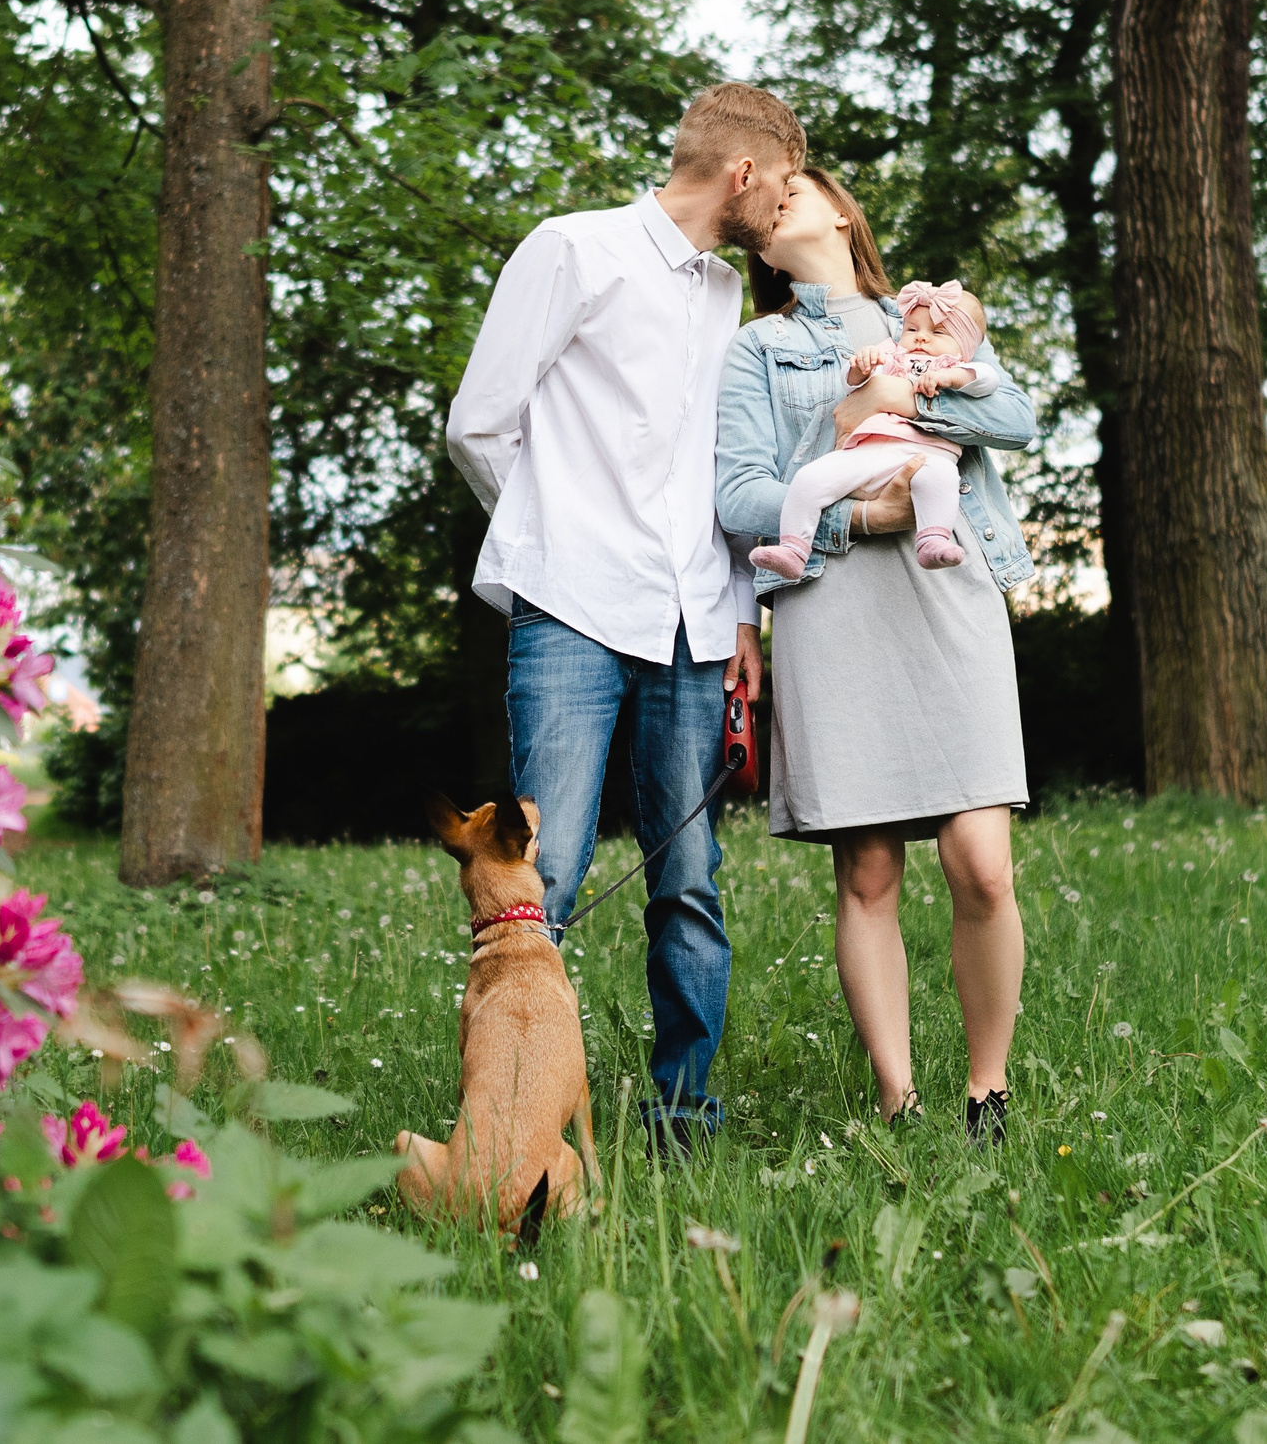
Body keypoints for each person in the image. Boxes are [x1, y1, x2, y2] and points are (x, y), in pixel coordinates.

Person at [445, 81, 800, 1152]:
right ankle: (509, 1121)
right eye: (781, 184)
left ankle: (681, 1116)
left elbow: (714, 466)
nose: (784, 207)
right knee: (536, 879)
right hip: (571, 616)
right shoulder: (572, 249)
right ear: (741, 172)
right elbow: (480, 423)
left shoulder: (722, 290)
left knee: (687, 881)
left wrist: (740, 613)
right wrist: (556, 547)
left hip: (697, 628)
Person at [715, 165, 1039, 1145]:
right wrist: (864, 509)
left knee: (981, 867)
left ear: (840, 210)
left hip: (950, 594)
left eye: (794, 190)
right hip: (832, 600)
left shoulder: (928, 315)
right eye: (760, 212)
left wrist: (907, 387)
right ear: (761, 255)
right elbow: (737, 499)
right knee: (866, 873)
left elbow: (1014, 419)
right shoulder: (754, 351)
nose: (776, 204)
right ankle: (899, 1103)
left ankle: (989, 1090)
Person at [746, 280, 1000, 578]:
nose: (921, 339)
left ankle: (933, 540)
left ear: (966, 346)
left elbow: (987, 379)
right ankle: (792, 549)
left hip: (921, 456)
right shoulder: (890, 354)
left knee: (941, 478)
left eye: (938, 332)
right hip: (866, 449)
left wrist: (951, 377)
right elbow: (851, 382)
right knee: (809, 478)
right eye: (912, 329)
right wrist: (860, 368)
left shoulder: (960, 366)